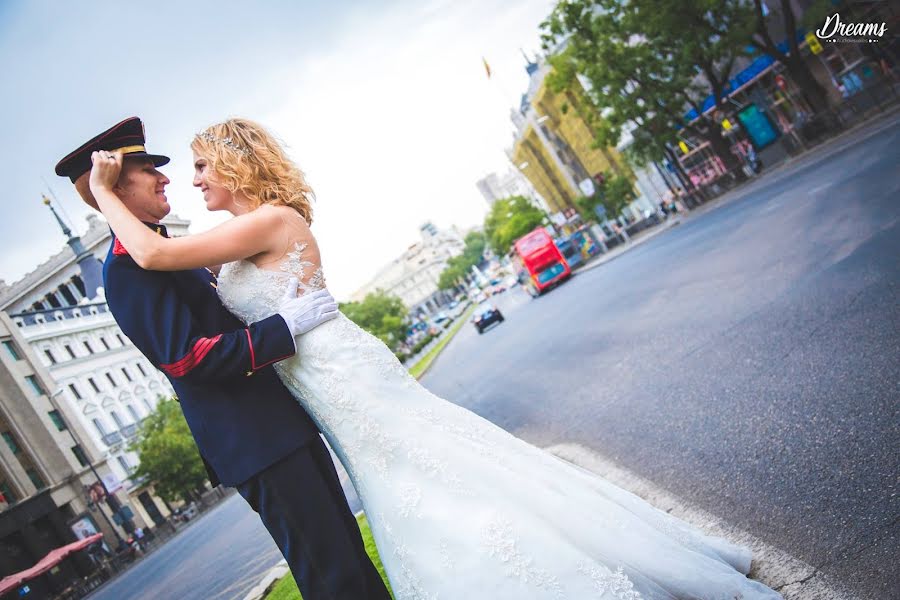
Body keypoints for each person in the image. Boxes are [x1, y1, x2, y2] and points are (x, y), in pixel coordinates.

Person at [88, 117, 783, 599]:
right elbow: (164, 290)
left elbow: (156, 253)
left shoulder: (264, 223)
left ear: (236, 164)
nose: (191, 179)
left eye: (203, 165)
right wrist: (101, 199)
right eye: (175, 170)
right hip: (315, 389)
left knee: (443, 479)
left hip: (338, 377)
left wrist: (102, 198)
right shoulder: (218, 237)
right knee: (423, 488)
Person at [54, 117, 392, 600]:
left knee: (345, 556)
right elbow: (188, 359)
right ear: (115, 186)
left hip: (276, 429)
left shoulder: (161, 250)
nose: (167, 177)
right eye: (149, 169)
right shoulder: (128, 269)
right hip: (255, 439)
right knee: (332, 574)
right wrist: (284, 328)